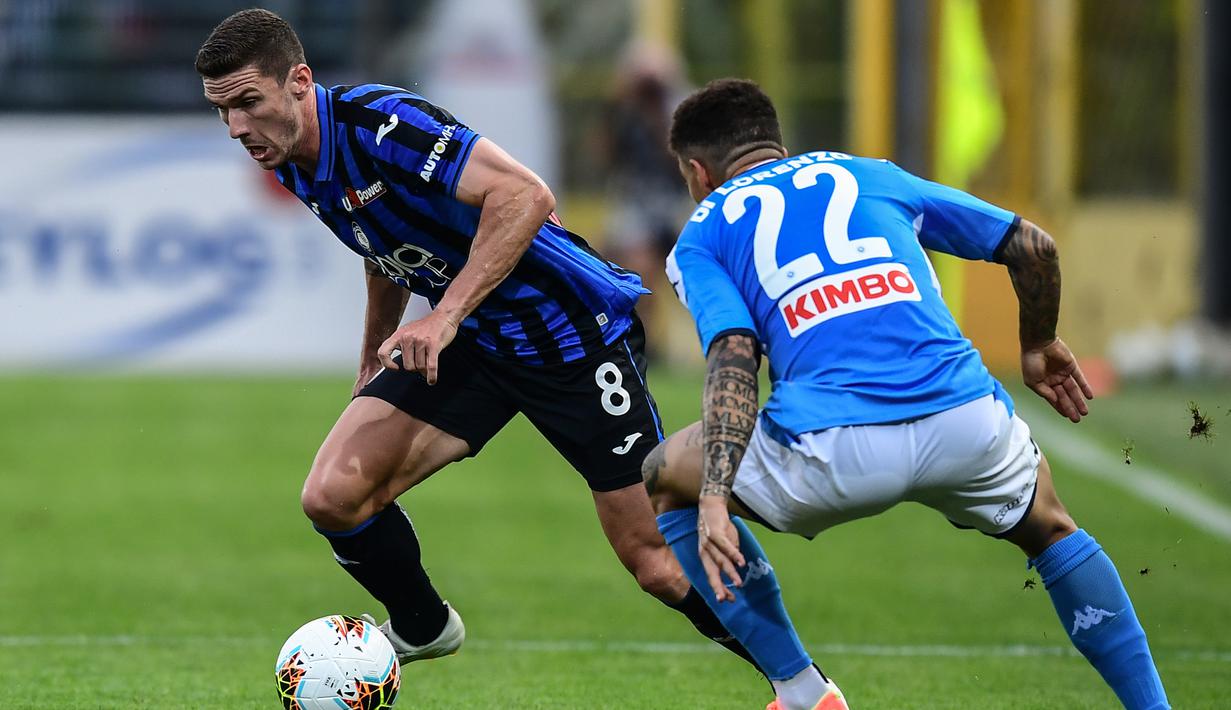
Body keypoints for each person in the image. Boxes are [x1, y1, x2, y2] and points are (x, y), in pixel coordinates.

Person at [193, 9, 769, 677]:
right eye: (222, 111)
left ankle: (799, 680)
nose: (237, 127)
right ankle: (423, 626)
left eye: (247, 103)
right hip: (474, 341)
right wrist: (369, 359)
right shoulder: (291, 152)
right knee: (332, 496)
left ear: (298, 81)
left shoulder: (383, 124)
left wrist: (443, 317)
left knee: (655, 562)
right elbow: (382, 244)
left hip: (568, 335)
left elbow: (525, 195)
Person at [643, 78, 1170, 710]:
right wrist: (1039, 343)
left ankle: (802, 692)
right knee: (1052, 527)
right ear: (773, 143)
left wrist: (713, 495)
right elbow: (1033, 246)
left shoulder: (702, 234)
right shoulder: (874, 175)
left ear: (698, 173)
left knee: (664, 474)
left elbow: (734, 356)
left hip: (832, 450)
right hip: (964, 425)